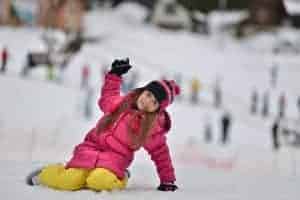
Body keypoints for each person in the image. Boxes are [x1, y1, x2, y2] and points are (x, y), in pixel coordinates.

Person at [26, 58, 179, 192]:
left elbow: (160, 153)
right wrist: (114, 75)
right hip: (90, 149)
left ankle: (121, 177)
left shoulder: (150, 127)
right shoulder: (121, 103)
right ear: (142, 91)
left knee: (98, 181)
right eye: (148, 95)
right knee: (70, 181)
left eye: (154, 103)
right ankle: (46, 174)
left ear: (157, 110)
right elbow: (108, 96)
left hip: (115, 160)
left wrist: (168, 180)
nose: (147, 102)